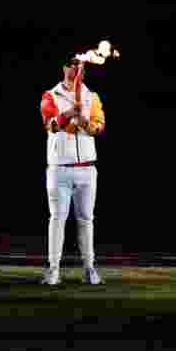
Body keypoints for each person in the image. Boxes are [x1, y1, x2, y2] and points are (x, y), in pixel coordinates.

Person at [39, 54, 106, 286]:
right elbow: (50, 125)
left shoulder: (91, 96)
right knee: (57, 218)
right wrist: (69, 113)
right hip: (59, 168)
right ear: (65, 68)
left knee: (87, 219)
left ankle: (89, 268)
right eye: (73, 65)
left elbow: (99, 127)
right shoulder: (51, 95)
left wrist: (84, 122)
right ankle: (53, 269)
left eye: (80, 66)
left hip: (87, 168)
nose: (77, 69)